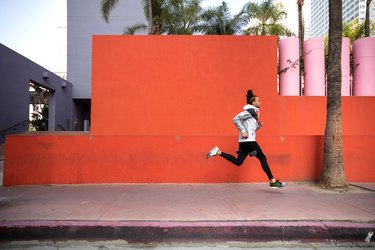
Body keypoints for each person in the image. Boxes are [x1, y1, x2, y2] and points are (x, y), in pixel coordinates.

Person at [206, 89, 286, 188]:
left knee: (238, 162)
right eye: (258, 101)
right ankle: (272, 181)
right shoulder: (251, 111)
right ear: (253, 102)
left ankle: (218, 152)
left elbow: (251, 129)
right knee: (262, 158)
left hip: (244, 141)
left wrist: (258, 126)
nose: (260, 102)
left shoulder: (254, 112)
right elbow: (235, 119)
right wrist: (243, 130)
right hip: (249, 141)